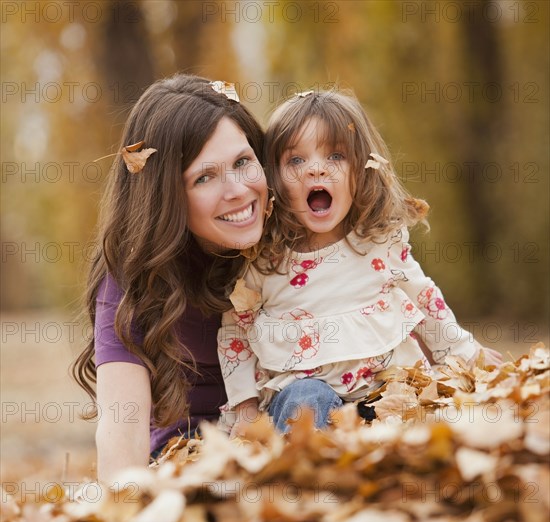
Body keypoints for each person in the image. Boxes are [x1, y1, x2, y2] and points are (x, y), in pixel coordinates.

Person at [217, 89, 502, 436]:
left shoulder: (379, 242)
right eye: (296, 161)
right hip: (309, 394)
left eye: (335, 156)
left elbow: (426, 300)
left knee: (421, 407)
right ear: (273, 176)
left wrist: (466, 354)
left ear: (362, 169)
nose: (316, 170)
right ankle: (311, 473)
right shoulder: (265, 260)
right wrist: (245, 406)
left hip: (388, 387)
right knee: (305, 401)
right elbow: (235, 330)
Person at [72, 74, 268, 482]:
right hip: (191, 470)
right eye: (204, 177)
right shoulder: (133, 281)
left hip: (296, 440)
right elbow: (120, 440)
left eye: (243, 162)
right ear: (167, 196)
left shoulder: (298, 244)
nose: (237, 190)